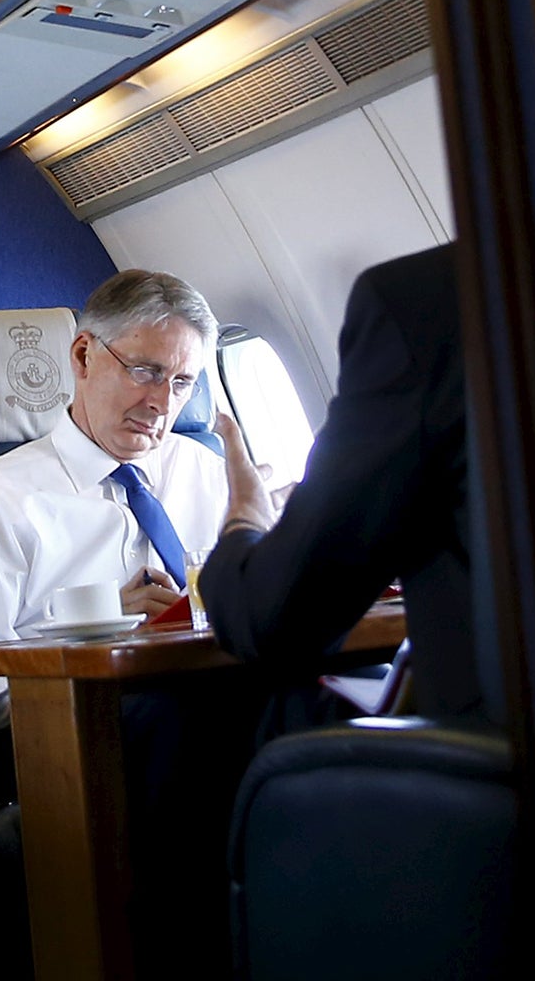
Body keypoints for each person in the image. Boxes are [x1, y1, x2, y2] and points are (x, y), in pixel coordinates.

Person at [202, 242, 485, 720]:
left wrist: (246, 517)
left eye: (182, 380)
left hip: (509, 752)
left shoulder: (418, 301)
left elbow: (273, 619)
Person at [0, 268, 229, 727]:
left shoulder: (209, 472)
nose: (162, 404)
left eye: (181, 383)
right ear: (83, 356)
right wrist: (97, 634)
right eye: (145, 371)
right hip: (93, 734)